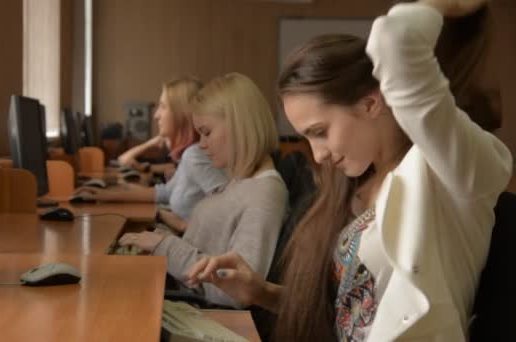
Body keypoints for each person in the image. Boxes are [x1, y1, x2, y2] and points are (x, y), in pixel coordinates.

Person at [187, 0, 513, 340]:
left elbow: (397, 43)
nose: (318, 154)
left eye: (320, 132)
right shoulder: (358, 187)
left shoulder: (452, 172)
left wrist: (447, 4)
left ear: (371, 103)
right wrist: (261, 293)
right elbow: (352, 313)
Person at [119, 73, 289, 308]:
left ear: (240, 127)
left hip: (194, 307)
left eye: (207, 132)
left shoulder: (265, 193)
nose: (201, 144)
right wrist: (161, 246)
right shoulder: (241, 180)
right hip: (180, 287)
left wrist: (165, 247)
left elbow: (235, 290)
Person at [75, 77, 227, 232]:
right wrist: (105, 195)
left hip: (192, 250)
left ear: (180, 113)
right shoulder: (189, 156)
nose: (156, 115)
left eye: (162, 106)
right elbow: (165, 192)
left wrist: (184, 227)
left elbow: (229, 211)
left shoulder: (194, 156)